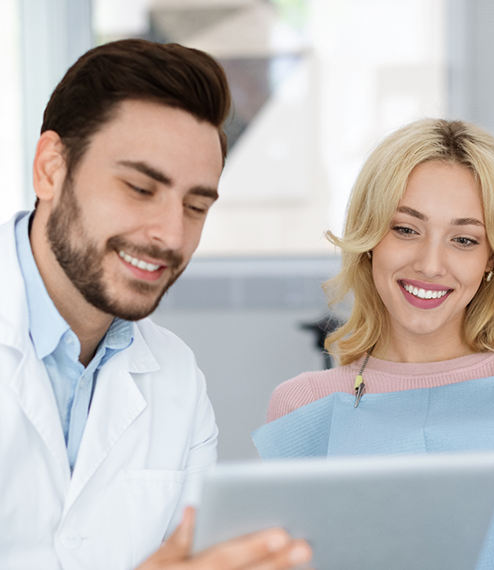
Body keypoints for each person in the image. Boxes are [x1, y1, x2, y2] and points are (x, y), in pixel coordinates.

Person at [0, 39, 312, 570]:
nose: (170, 234)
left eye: (195, 206)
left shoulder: (176, 377)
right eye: (141, 188)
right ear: (51, 168)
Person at [255, 119, 494, 569]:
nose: (430, 264)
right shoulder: (304, 407)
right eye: (406, 230)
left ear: (491, 258)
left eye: (464, 240)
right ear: (370, 239)